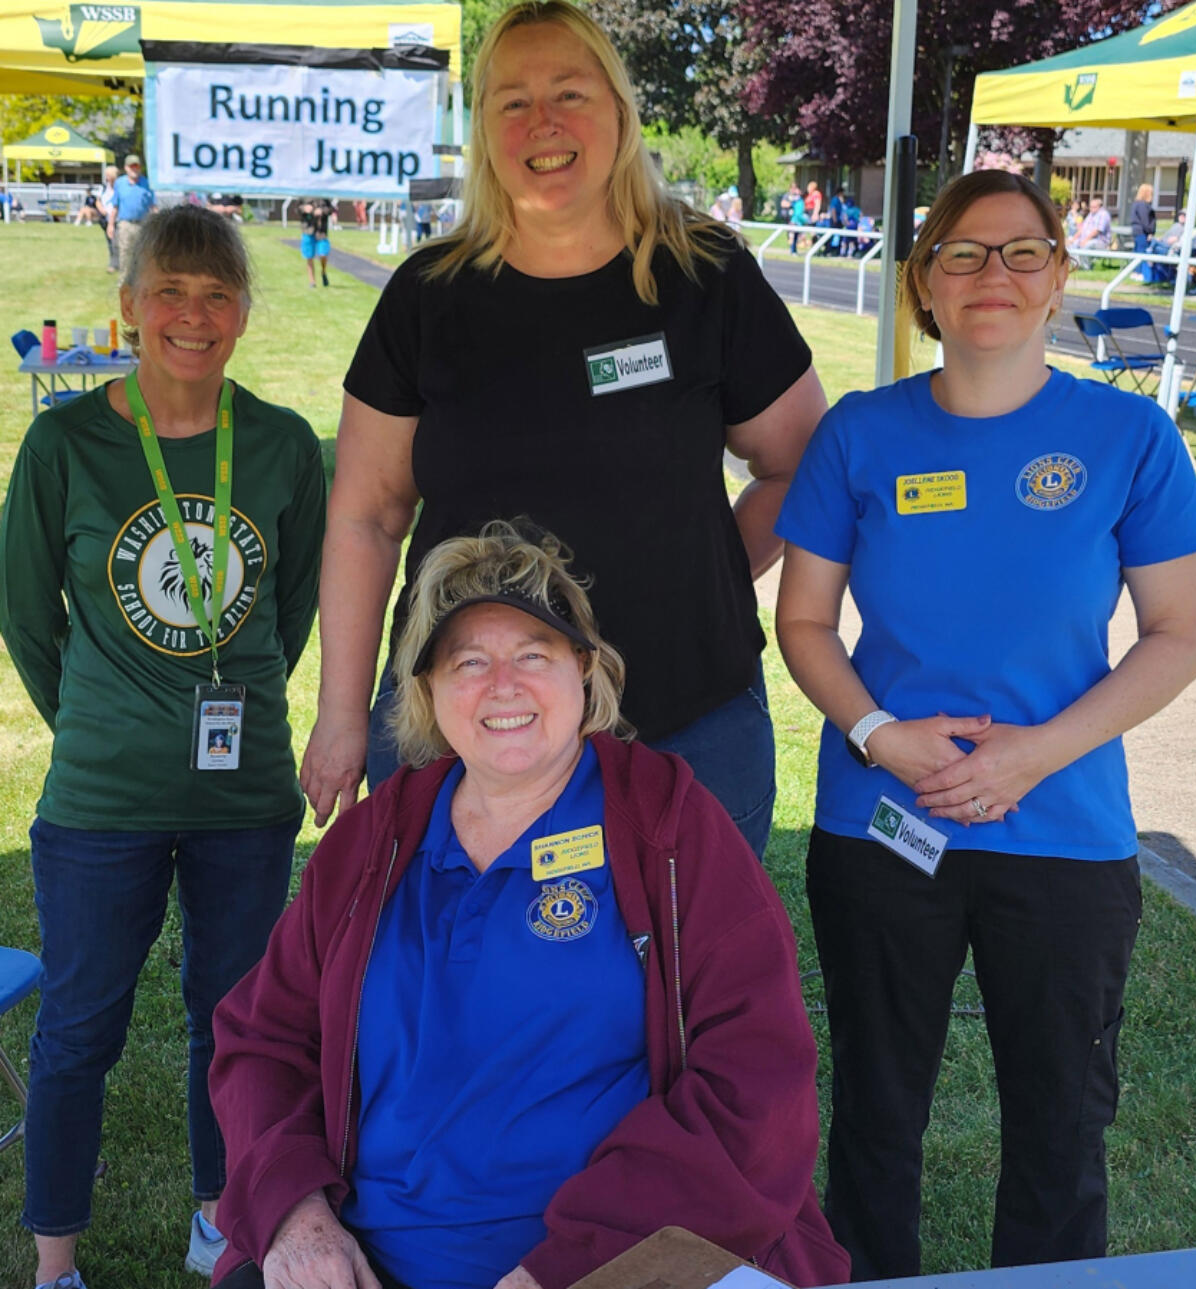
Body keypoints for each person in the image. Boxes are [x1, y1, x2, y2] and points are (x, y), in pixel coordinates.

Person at [209, 521, 851, 1289]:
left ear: (585, 670)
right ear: (428, 691)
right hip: (367, 1266)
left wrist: (567, 1270)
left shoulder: (665, 827)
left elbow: (756, 1080)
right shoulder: (372, 843)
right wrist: (296, 1215)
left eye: (533, 655)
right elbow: (262, 1040)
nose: (502, 685)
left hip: (620, 1266)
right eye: (468, 661)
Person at [773, 169, 1196, 1281]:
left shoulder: (1128, 437)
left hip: (1061, 827)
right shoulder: (858, 435)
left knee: (1060, 1129)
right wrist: (879, 732)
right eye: (961, 252)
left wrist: (1032, 752)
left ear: (1059, 274)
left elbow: (1174, 633)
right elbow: (805, 618)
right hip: (883, 819)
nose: (992, 275)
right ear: (922, 279)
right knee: (874, 1112)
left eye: (1022, 251)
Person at [301, 0, 827, 860]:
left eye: (570, 92)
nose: (542, 121)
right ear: (483, 130)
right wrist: (339, 717)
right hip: (464, 720)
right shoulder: (427, 298)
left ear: (618, 111)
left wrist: (707, 568)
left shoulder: (705, 274)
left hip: (685, 715)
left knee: (684, 984)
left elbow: (804, 463)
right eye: (512, 100)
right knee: (456, 982)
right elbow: (366, 515)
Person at [0, 204, 327, 1289]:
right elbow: (25, 613)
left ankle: (215, 1215)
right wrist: (98, 714)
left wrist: (229, 708)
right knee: (80, 1023)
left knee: (236, 1021)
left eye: (217, 293)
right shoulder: (66, 442)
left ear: (242, 311)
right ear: (130, 306)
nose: (193, 314)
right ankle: (55, 1261)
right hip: (101, 796)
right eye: (170, 292)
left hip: (246, 798)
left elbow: (288, 604)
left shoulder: (279, 442)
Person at [107, 153, 156, 275]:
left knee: (142, 254)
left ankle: (139, 282)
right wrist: (111, 225)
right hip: (125, 224)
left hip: (143, 225)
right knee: (125, 253)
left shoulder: (147, 183)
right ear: (126, 168)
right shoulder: (120, 183)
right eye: (131, 166)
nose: (134, 169)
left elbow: (153, 206)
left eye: (137, 166)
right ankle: (124, 282)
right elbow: (115, 206)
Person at [300, 197, 335, 286]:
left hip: (321, 231)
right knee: (309, 256)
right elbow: (297, 208)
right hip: (308, 229)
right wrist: (305, 208)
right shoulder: (304, 194)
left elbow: (331, 209)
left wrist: (322, 211)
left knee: (323, 254)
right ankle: (312, 281)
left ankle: (323, 272)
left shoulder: (324, 195)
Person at [1129, 182, 1155, 255]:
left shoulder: (1137, 203)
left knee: (1137, 253)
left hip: (1137, 232)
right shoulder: (1142, 205)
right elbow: (1145, 221)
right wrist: (1150, 232)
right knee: (1142, 254)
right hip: (1143, 233)